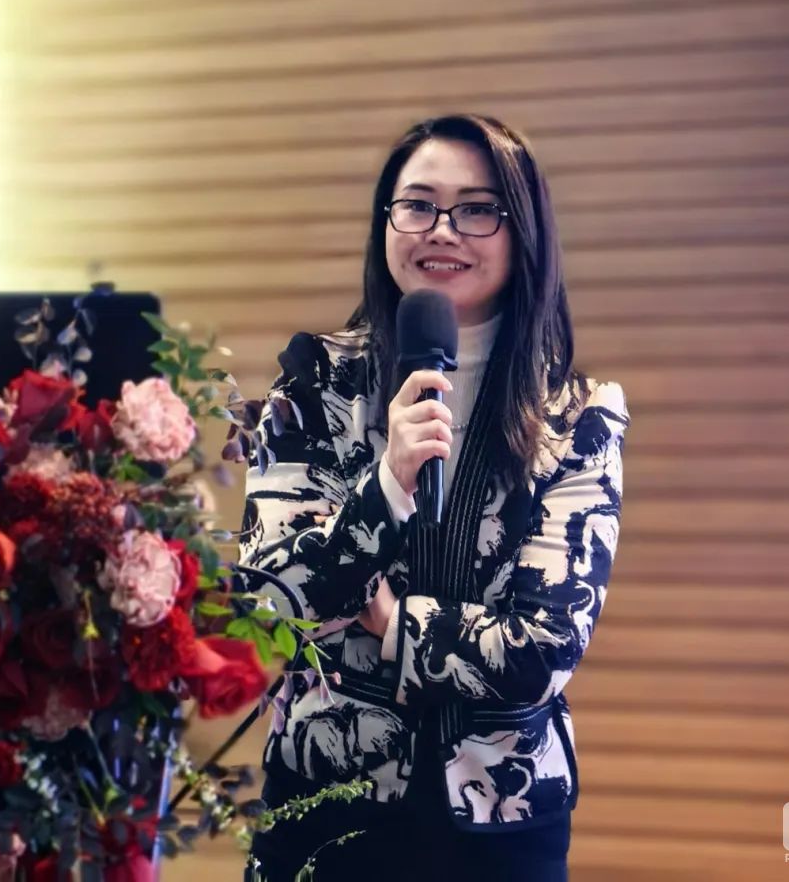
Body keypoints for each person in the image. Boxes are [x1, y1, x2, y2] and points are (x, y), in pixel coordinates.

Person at [238, 114, 630, 881]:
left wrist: (390, 622)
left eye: (477, 209)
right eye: (418, 205)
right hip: (326, 793)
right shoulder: (316, 383)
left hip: (501, 818)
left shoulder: (578, 416)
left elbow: (542, 652)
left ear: (523, 233)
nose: (442, 229)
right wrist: (387, 487)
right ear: (386, 222)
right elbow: (272, 598)